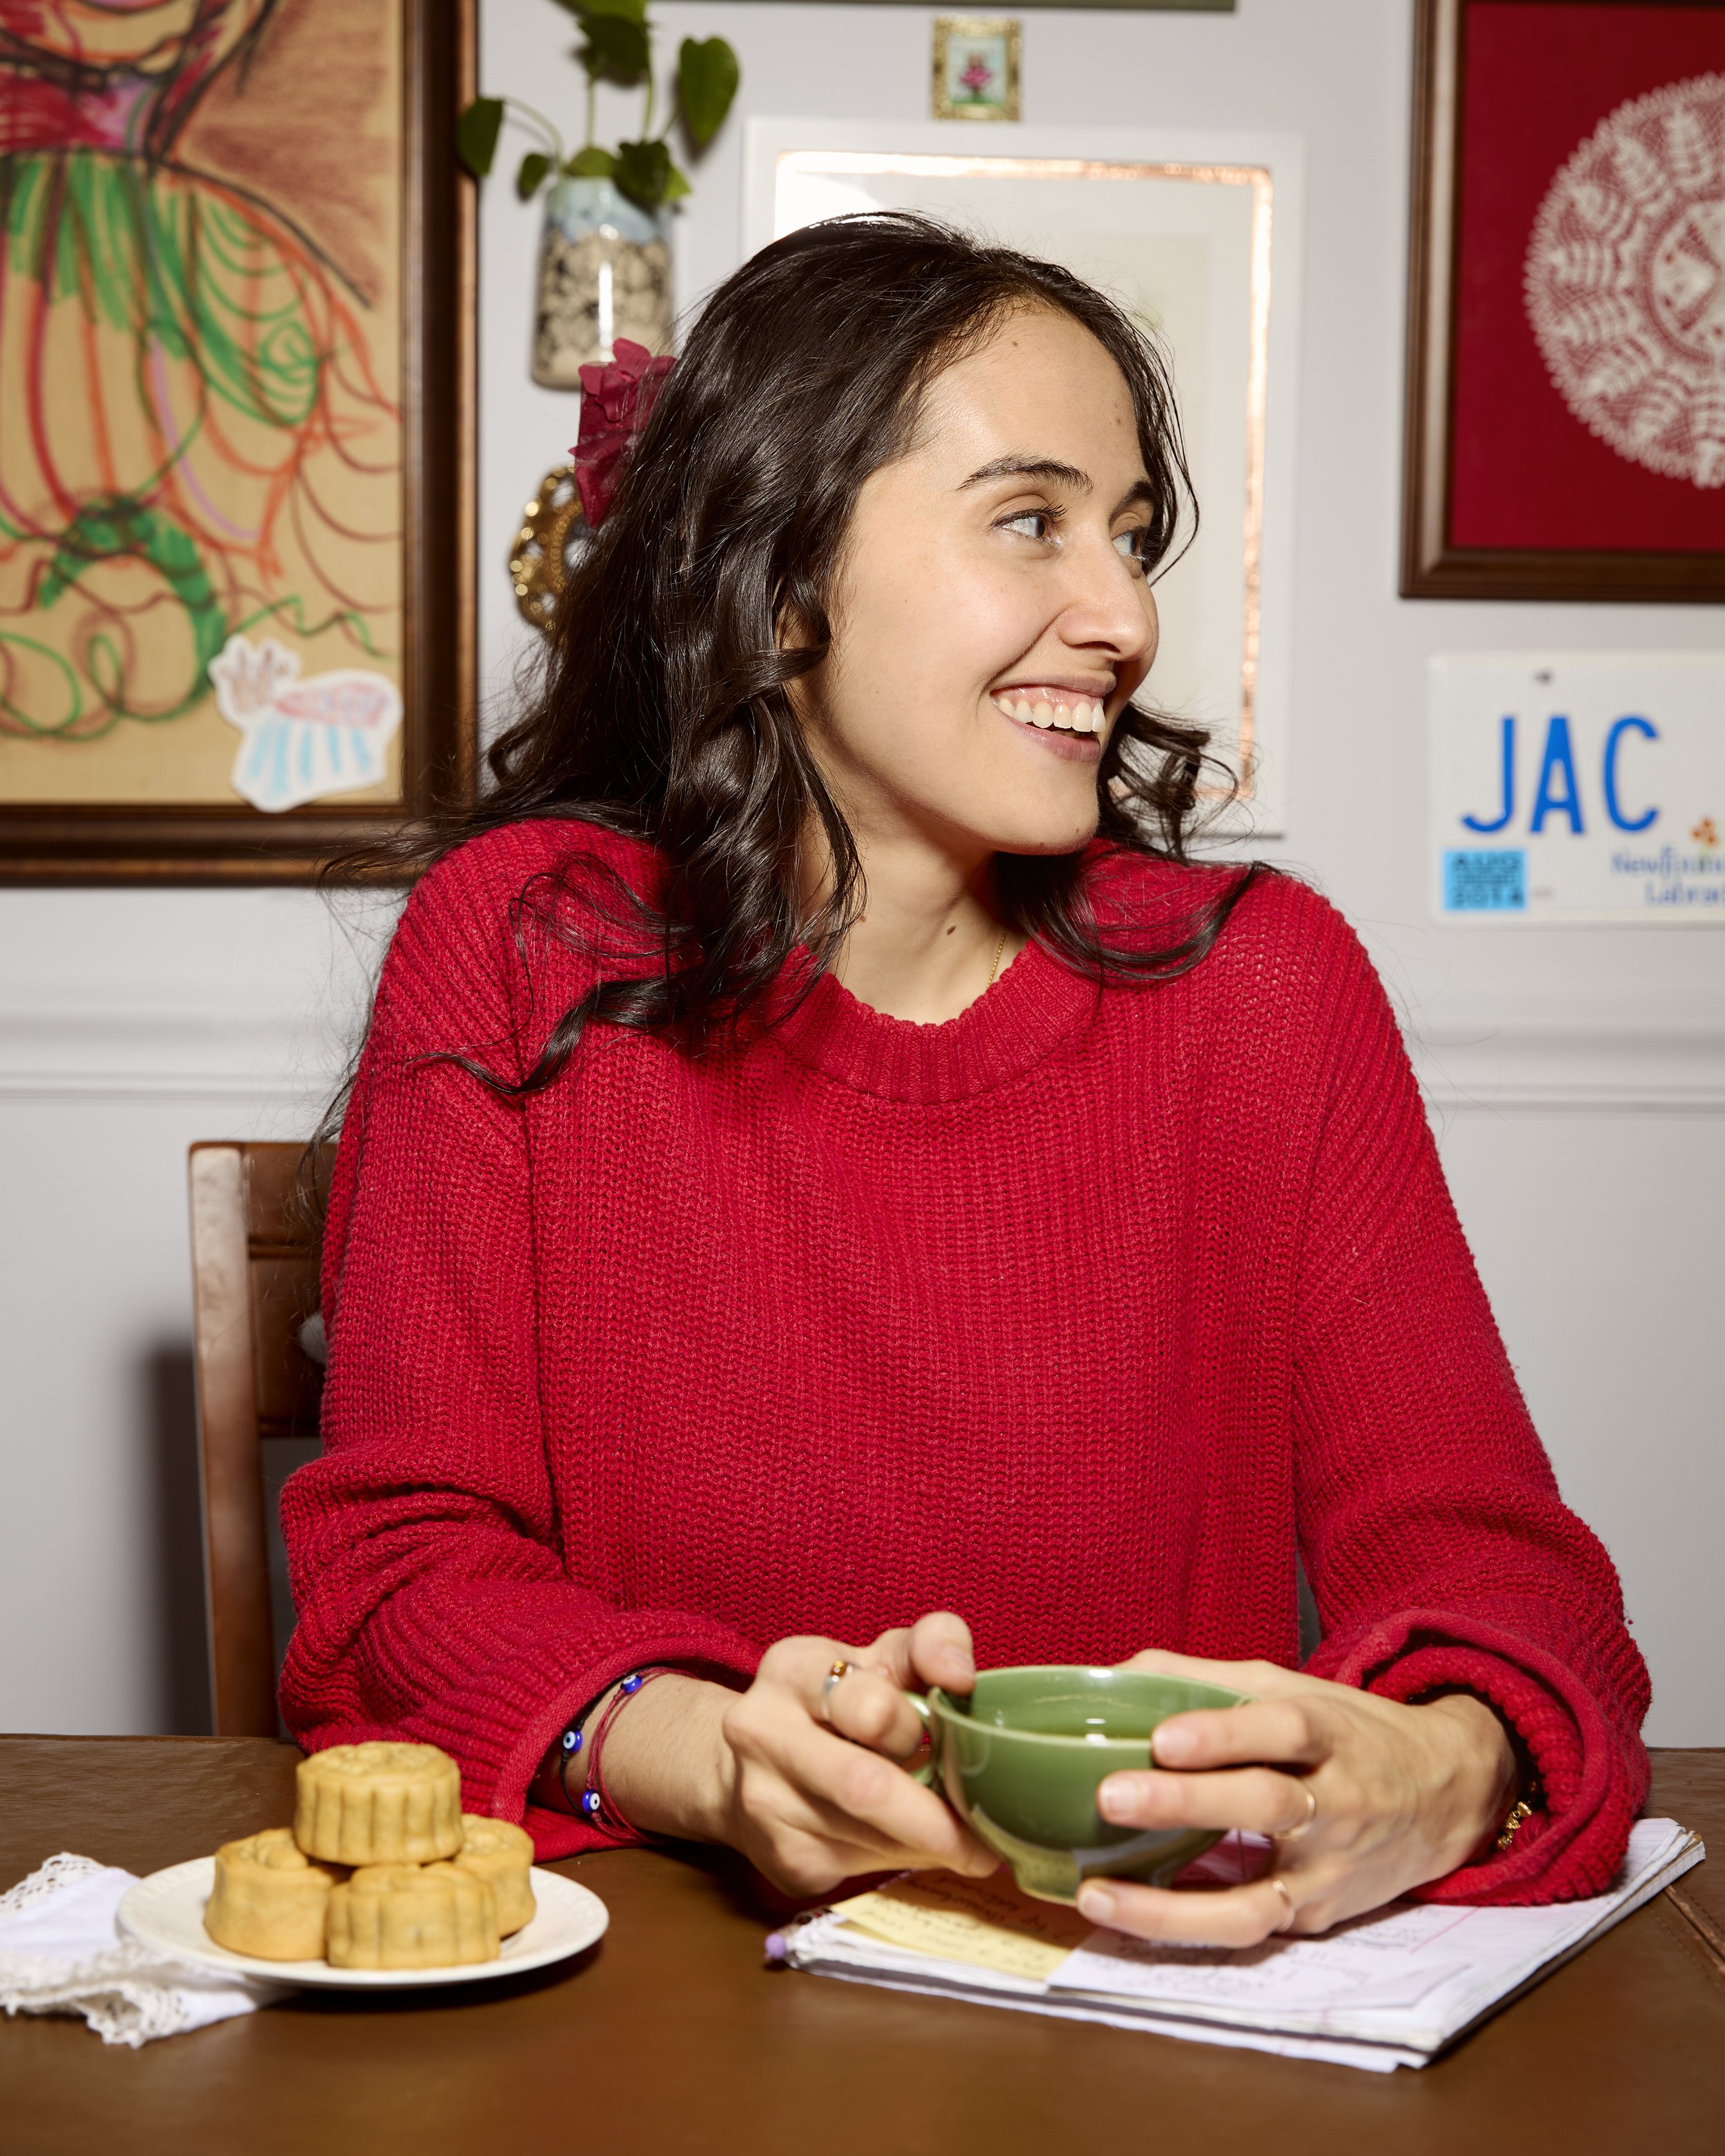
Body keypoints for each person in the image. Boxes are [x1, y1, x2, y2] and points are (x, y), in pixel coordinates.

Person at [281, 214, 1649, 1948]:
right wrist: (707, 1757)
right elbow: (395, 1576)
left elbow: (1500, 1572)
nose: (1126, 617)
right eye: (1030, 522)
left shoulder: (1268, 989)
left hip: (1158, 2001)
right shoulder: (518, 947)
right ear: (780, 578)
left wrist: (1439, 1767)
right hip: (661, 2013)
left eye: (1133, 536)